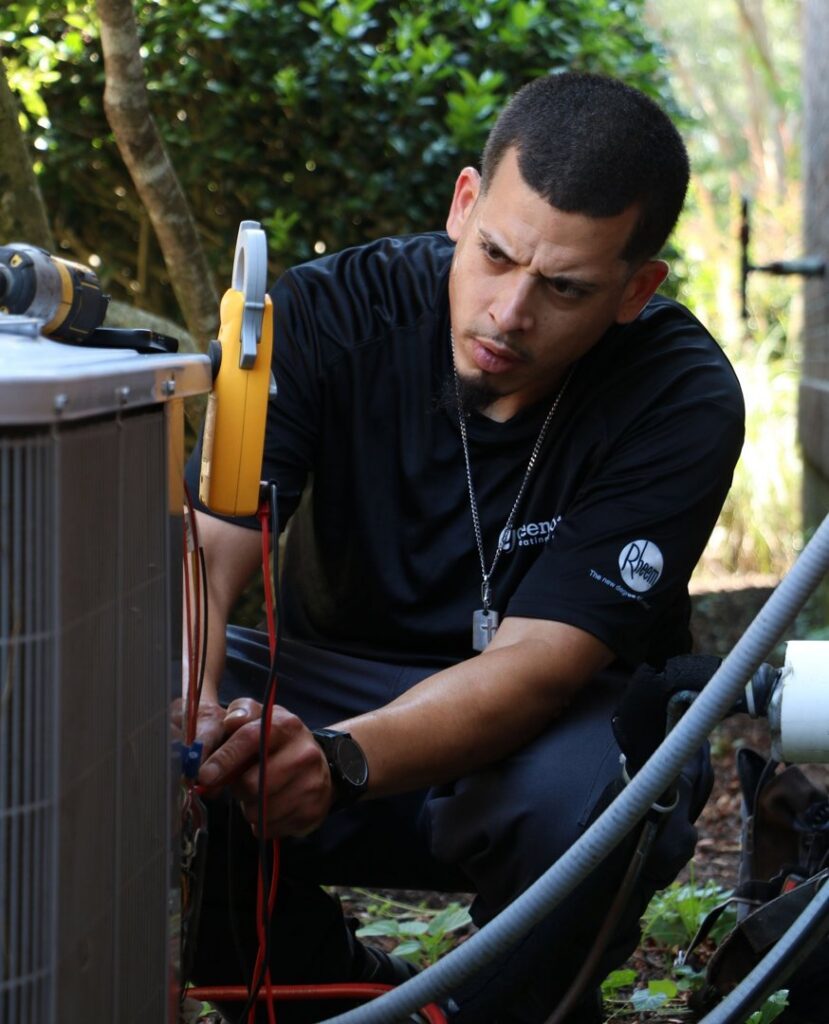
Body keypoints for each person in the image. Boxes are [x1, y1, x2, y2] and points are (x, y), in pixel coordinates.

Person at [184, 71, 745, 1023]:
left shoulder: (677, 395)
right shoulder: (326, 311)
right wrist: (190, 704)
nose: (508, 314)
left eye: (563, 287)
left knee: (614, 790)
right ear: (463, 202)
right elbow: (212, 541)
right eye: (495, 256)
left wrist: (337, 759)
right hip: (317, 682)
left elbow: (537, 663)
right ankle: (333, 996)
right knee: (113, 697)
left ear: (634, 289)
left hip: (540, 730)